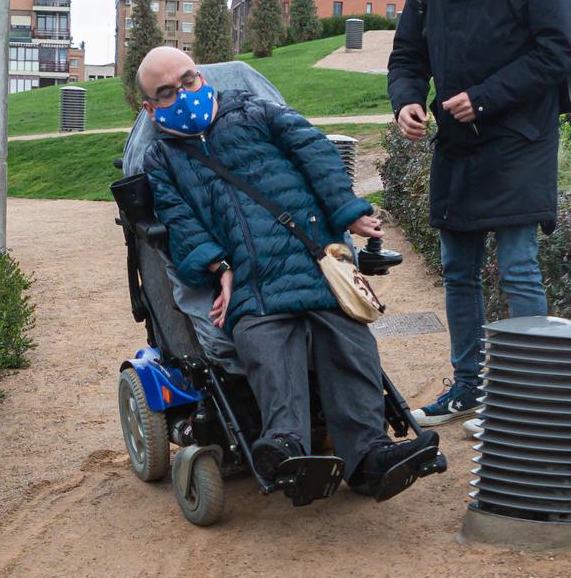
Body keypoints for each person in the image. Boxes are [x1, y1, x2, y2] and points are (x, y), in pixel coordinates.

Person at [139, 46, 439, 498]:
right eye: (166, 93)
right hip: (251, 286)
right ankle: (286, 448)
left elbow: (315, 153)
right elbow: (181, 222)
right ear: (150, 107)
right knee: (268, 349)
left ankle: (371, 455)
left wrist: (348, 210)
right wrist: (216, 266)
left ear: (201, 76)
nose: (182, 95)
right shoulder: (162, 160)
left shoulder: (257, 112)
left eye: (187, 81)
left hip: (314, 267)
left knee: (349, 344)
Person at [387, 0, 571, 428]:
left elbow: (557, 50)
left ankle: (524, 400)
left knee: (518, 267)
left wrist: (487, 97)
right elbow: (407, 56)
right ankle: (469, 387)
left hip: (520, 137)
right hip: (459, 142)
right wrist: (406, 101)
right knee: (457, 268)